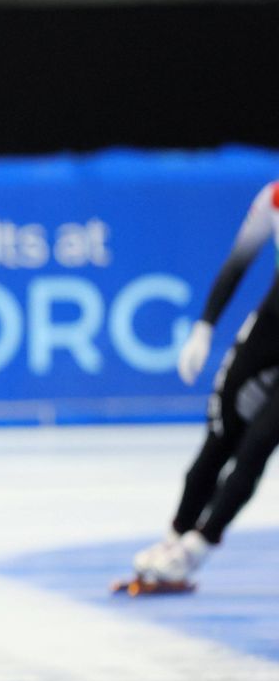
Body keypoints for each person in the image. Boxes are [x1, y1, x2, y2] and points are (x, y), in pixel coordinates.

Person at [117, 181, 279, 595]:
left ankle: (198, 547)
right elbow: (237, 263)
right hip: (270, 330)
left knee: (257, 444)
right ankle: (176, 536)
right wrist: (204, 325)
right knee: (221, 433)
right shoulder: (273, 197)